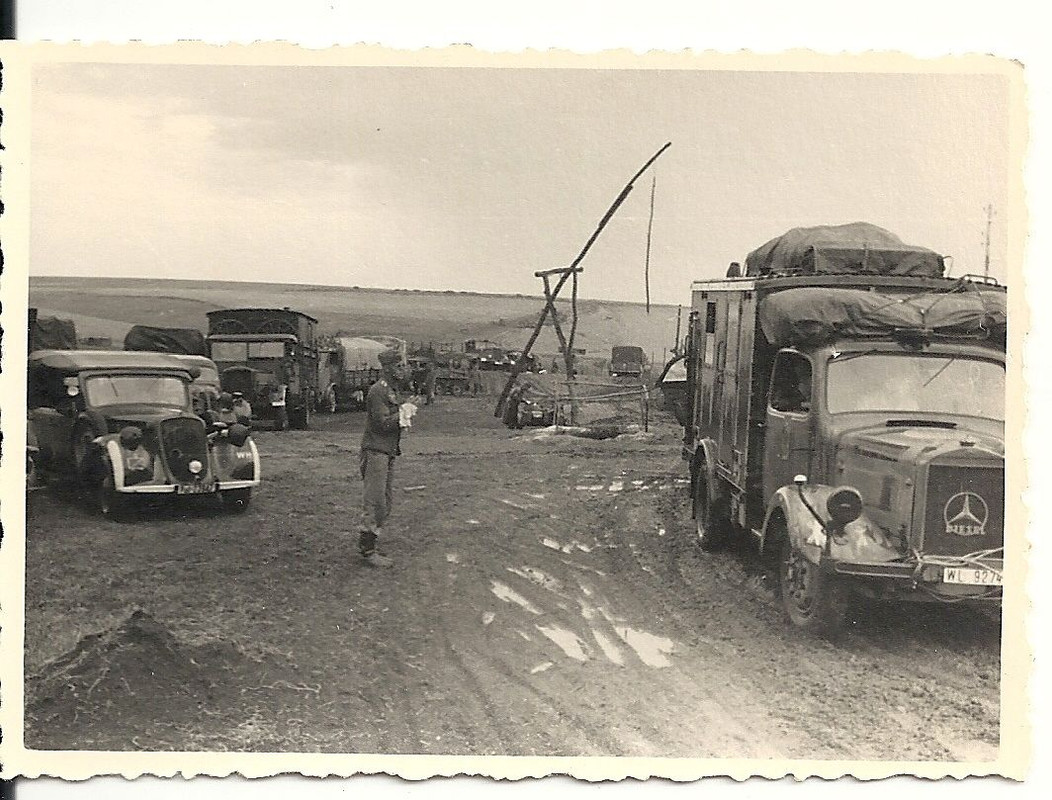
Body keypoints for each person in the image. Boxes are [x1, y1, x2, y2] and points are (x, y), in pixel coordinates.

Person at [358, 349, 419, 567]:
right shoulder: (378, 391)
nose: (403, 370)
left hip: (386, 451)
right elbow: (381, 424)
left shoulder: (389, 390)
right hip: (376, 451)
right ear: (388, 369)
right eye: (399, 366)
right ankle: (367, 549)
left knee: (385, 502)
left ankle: (371, 541)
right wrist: (402, 413)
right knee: (375, 501)